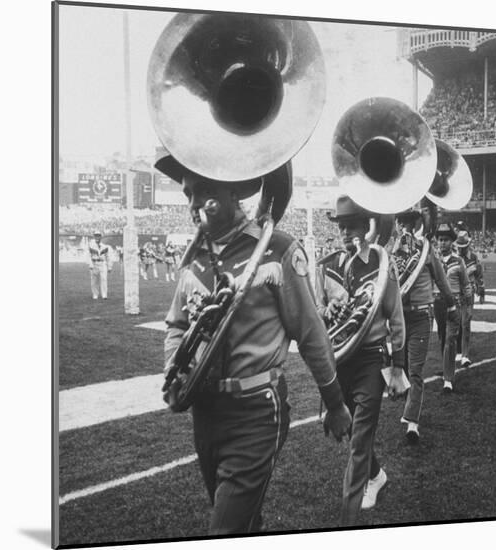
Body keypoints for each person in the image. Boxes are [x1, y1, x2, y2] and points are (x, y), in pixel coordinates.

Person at [158, 156, 352, 536]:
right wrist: (172, 366)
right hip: (205, 413)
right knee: (244, 521)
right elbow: (176, 324)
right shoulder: (195, 257)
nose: (195, 204)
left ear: (234, 192)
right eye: (189, 194)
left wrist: (335, 402)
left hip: (256, 413)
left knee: (224, 530)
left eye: (206, 192)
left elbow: (311, 335)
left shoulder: (277, 249)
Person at [315, 195, 406, 525]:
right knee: (353, 432)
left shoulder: (382, 263)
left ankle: (347, 519)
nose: (345, 231)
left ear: (367, 226)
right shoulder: (326, 266)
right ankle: (377, 474)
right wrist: (328, 312)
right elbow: (318, 314)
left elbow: (396, 318)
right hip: (341, 360)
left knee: (359, 439)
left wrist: (399, 368)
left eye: (352, 224)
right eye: (341, 226)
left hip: (371, 360)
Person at [393, 210, 458, 444]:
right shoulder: (393, 250)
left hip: (421, 315)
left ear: (415, 225)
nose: (402, 228)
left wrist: (451, 305)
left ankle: (412, 423)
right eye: (400, 223)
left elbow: (440, 279)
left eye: (406, 223)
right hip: (399, 316)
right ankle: (408, 402)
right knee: (401, 366)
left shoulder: (426, 250)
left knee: (416, 370)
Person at [434, 223, 472, 393]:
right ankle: (446, 367)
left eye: (445, 240)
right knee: (442, 336)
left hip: (455, 304)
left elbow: (466, 284)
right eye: (440, 240)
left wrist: (468, 306)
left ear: (452, 242)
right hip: (438, 303)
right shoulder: (433, 260)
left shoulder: (459, 261)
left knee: (450, 339)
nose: (442, 243)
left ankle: (448, 379)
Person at [455, 230, 485, 366]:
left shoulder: (474, 257)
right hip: (455, 295)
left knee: (466, 323)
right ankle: (457, 351)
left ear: (467, 245)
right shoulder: (454, 257)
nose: (460, 249)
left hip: (469, 295)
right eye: (459, 247)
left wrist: (482, 291)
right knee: (456, 323)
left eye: (463, 247)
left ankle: (465, 355)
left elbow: (479, 275)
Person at [88, 231, 112, 300]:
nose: (97, 237)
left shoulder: (105, 246)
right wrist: (90, 264)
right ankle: (95, 294)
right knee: (94, 280)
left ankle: (104, 295)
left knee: (104, 279)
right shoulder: (91, 246)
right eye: (96, 236)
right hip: (94, 263)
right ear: (94, 237)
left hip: (102, 263)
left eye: (98, 236)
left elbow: (108, 257)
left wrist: (109, 266)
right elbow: (88, 256)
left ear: (101, 237)